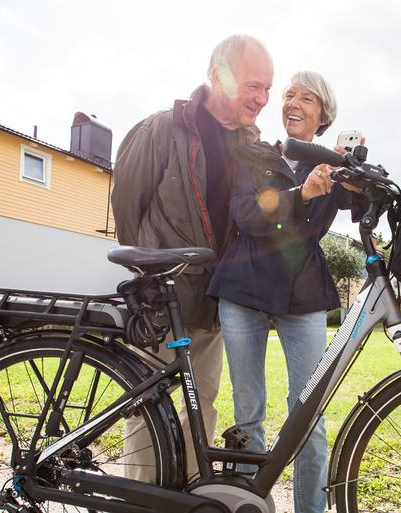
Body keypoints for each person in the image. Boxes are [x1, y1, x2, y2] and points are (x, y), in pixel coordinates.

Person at [110, 34, 273, 482]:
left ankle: (182, 497)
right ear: (218, 75)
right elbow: (127, 209)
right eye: (253, 85)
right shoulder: (161, 130)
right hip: (163, 302)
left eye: (267, 90)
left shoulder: (250, 144)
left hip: (216, 301)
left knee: (201, 407)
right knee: (148, 412)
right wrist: (152, 274)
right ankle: (140, 502)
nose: (262, 99)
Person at [208, 70, 359, 513]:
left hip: (304, 294)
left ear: (323, 115)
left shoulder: (332, 165)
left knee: (308, 414)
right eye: (288, 95)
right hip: (244, 288)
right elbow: (247, 214)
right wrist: (302, 194)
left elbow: (360, 204)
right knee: (248, 409)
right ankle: (249, 504)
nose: (292, 103)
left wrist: (356, 166)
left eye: (306, 98)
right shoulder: (255, 154)